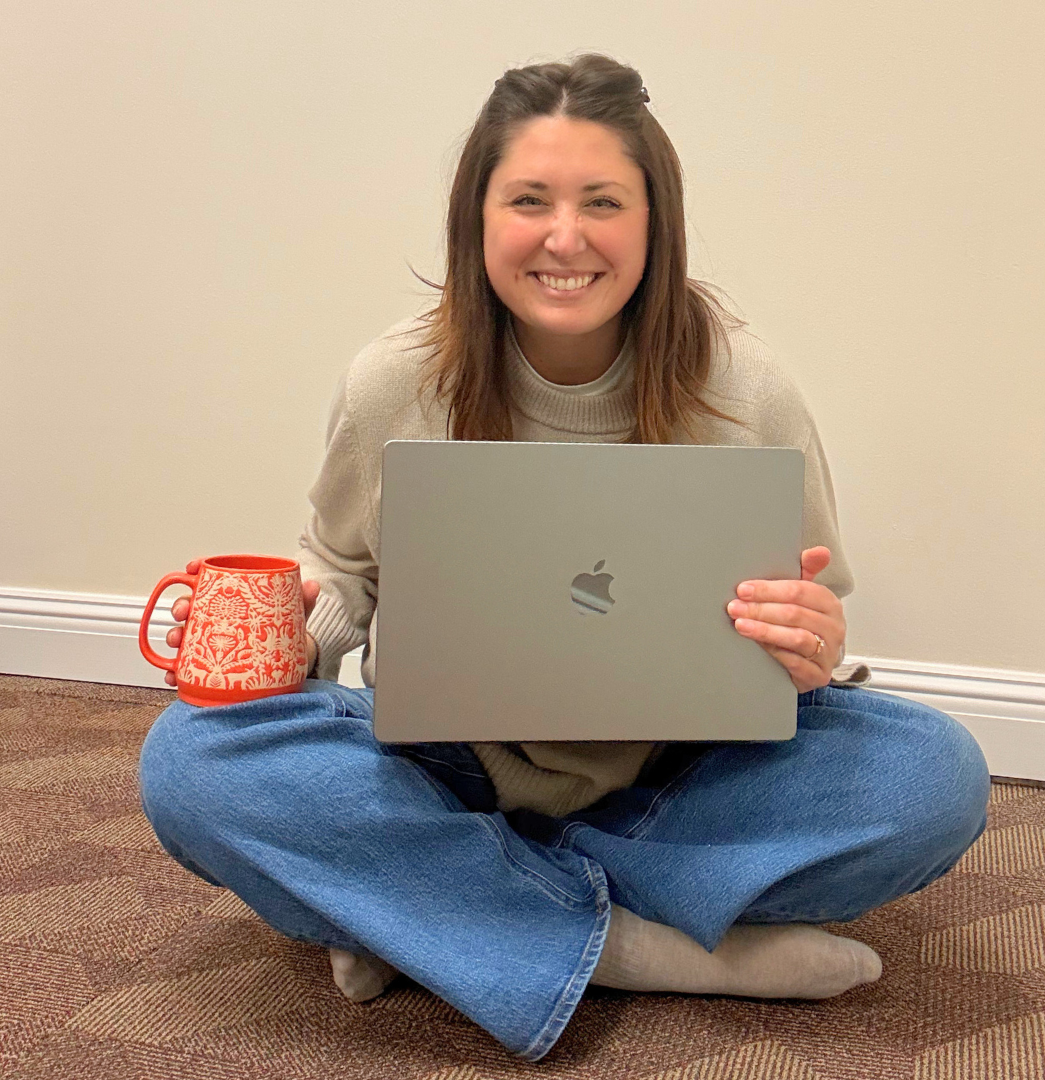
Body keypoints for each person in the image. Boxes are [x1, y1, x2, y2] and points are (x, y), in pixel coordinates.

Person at [139, 54, 990, 1062]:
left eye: (602, 202)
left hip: (670, 776)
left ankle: (424, 909)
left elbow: (808, 615)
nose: (565, 236)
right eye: (529, 200)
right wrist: (286, 631)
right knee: (189, 764)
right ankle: (640, 943)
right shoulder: (393, 379)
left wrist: (807, 645)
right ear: (478, 217)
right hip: (445, 764)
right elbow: (343, 572)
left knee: (934, 777)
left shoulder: (748, 389)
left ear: (654, 221)